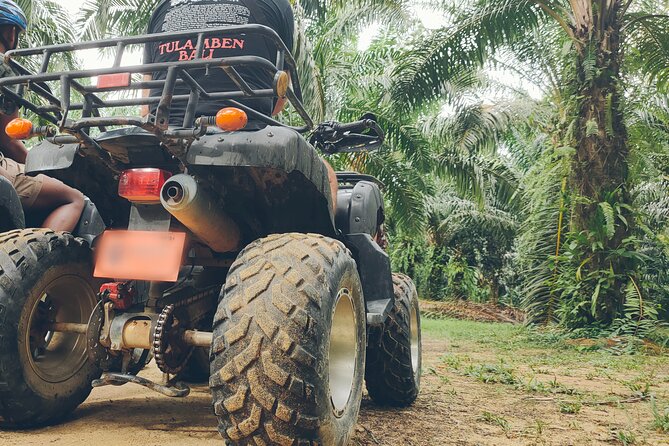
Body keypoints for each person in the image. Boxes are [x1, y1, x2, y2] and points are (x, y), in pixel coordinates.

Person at [142, 0, 338, 209]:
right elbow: (279, 99)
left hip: (160, 130)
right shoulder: (276, 4)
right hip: (242, 125)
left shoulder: (164, 6)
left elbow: (145, 104)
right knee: (329, 177)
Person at [0, 0, 84, 232]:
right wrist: (37, 166)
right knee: (74, 199)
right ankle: (33, 261)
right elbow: (8, 138)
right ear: (10, 31)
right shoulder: (6, 69)